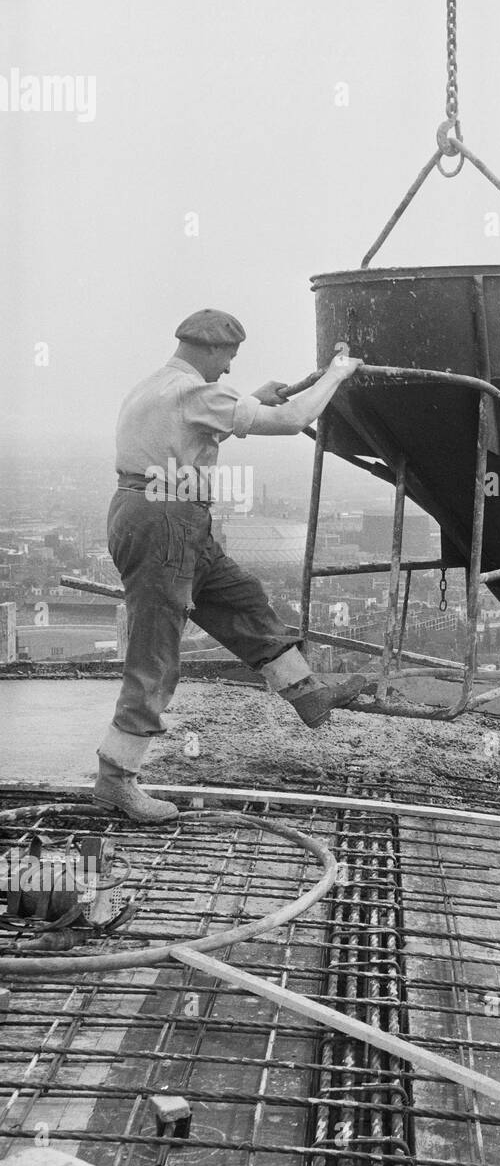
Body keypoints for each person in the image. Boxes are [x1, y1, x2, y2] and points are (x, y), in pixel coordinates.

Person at [96, 309, 369, 823]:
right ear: (212, 350)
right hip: (165, 520)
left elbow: (197, 421)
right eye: (228, 359)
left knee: (240, 597)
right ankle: (117, 782)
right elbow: (291, 422)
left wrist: (249, 400)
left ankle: (307, 693)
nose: (228, 369)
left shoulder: (157, 386)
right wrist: (337, 374)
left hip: (167, 514)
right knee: (155, 654)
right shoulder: (193, 393)